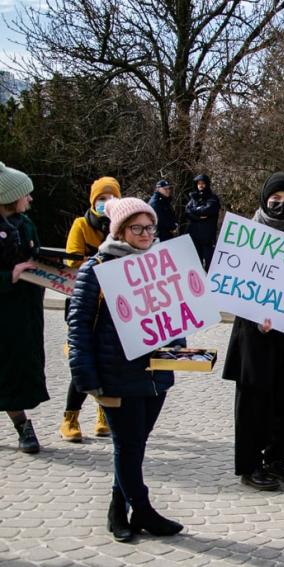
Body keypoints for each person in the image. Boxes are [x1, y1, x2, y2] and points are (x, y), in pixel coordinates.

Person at [68, 198, 184, 542]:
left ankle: (118, 508)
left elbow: (176, 318)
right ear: (120, 231)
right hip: (116, 375)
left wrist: (179, 349)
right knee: (128, 446)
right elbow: (78, 328)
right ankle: (144, 510)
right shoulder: (97, 268)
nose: (146, 234)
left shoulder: (163, 265)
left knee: (137, 445)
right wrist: (87, 379)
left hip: (156, 376)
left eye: (150, 227)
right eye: (137, 228)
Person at [222, 173, 284, 491]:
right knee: (255, 400)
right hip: (257, 336)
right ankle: (251, 465)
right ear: (264, 200)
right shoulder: (248, 236)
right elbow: (236, 286)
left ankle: (279, 459)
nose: (282, 205)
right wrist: (256, 316)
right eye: (275, 199)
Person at [60, 176, 121, 442]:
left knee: (107, 362)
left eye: (111, 198)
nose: (105, 203)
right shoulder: (81, 225)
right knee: (83, 361)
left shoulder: (120, 225)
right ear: (93, 200)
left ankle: (102, 414)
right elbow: (71, 260)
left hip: (113, 306)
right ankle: (70, 417)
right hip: (85, 301)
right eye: (101, 198)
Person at [0, 162, 48, 454]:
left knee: (17, 370)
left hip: (24, 312)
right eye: (25, 195)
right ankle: (22, 425)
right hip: (3, 308)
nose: (29, 199)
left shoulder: (26, 224)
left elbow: (36, 255)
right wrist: (9, 276)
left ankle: (21, 423)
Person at [185, 173, 221, 270]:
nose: (201, 185)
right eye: (198, 183)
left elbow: (207, 210)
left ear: (207, 184)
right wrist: (198, 217)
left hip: (208, 237)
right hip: (195, 236)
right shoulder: (193, 198)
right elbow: (187, 211)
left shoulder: (212, 198)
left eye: (203, 183)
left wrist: (195, 211)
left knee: (210, 265)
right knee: (196, 264)